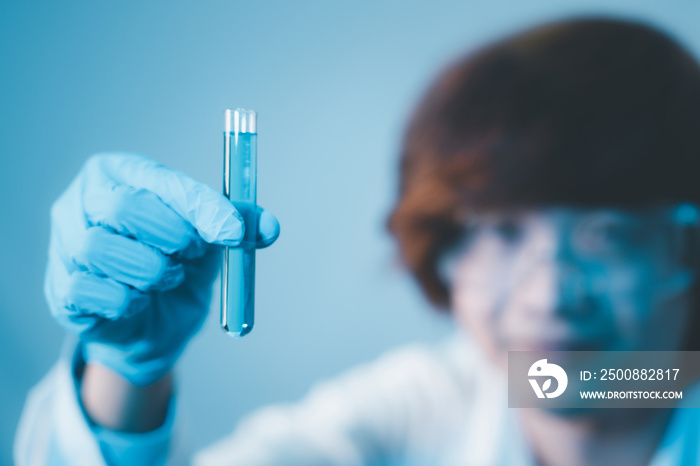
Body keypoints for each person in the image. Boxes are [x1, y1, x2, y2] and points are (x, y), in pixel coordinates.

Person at [14, 16, 700, 465]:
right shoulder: (419, 412)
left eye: (609, 233)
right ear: (443, 245)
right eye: (500, 230)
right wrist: (129, 373)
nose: (551, 295)